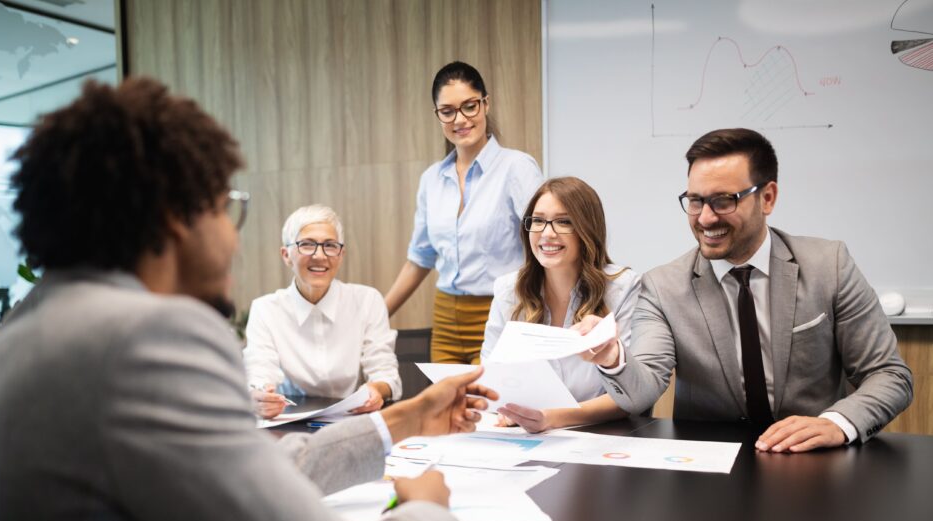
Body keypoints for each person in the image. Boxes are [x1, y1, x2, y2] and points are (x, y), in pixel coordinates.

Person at [0, 78, 497, 521]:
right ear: (176, 218)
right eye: (227, 210)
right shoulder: (149, 341)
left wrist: (400, 420)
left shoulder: (20, 338)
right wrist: (430, 513)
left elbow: (247, 479)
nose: (233, 236)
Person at [581, 127, 913, 452]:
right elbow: (642, 391)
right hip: (707, 466)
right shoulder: (662, 287)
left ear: (767, 198)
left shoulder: (829, 266)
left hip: (811, 462)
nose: (706, 218)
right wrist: (612, 359)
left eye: (724, 201)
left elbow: (889, 374)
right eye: (695, 201)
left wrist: (837, 423)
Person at [384, 61, 543, 364]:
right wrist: (375, 317)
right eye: (447, 111)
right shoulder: (431, 178)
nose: (460, 119)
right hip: (446, 320)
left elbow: (545, 246)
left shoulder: (517, 168)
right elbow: (419, 259)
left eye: (470, 106)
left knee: (492, 407)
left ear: (485, 103)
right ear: (437, 115)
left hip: (503, 312)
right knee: (448, 410)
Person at [481, 177, 641, 432]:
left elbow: (631, 394)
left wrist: (550, 418)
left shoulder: (623, 287)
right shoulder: (507, 290)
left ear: (587, 229)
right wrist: (513, 411)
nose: (547, 233)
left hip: (600, 436)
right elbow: (491, 380)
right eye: (539, 221)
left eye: (564, 222)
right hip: (524, 436)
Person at [244, 204, 401, 418]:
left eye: (330, 245)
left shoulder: (367, 300)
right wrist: (260, 397)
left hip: (350, 420)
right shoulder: (265, 309)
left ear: (341, 254)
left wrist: (376, 390)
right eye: (307, 245)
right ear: (286, 255)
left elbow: (385, 372)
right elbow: (259, 373)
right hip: (289, 422)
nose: (319, 256)